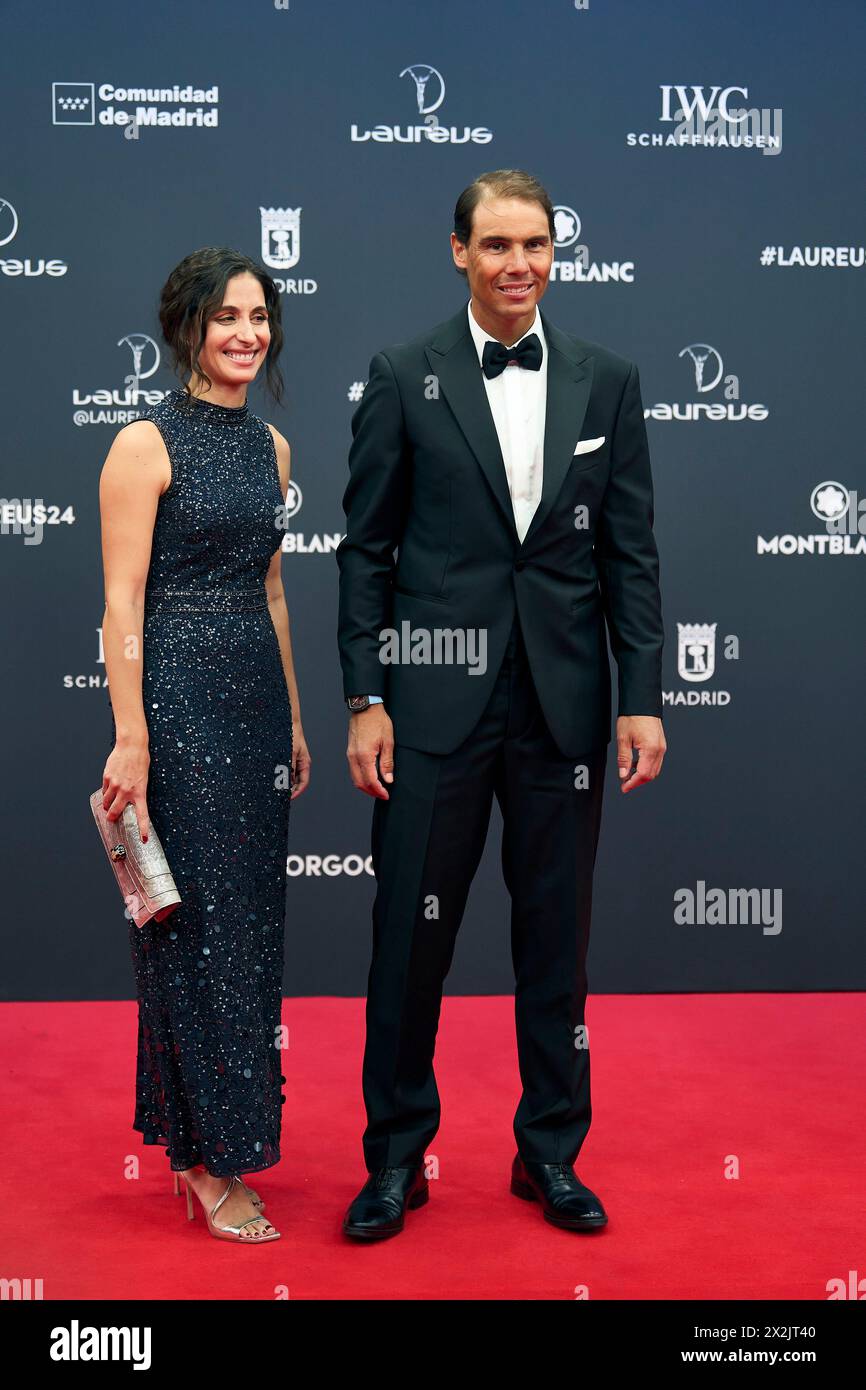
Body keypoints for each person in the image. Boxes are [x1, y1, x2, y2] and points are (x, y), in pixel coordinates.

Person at [337, 169, 666, 1239]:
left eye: (533, 245)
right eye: (494, 246)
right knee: (405, 943)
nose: (517, 264)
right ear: (457, 252)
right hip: (432, 705)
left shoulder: (605, 379)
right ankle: (394, 1160)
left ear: (552, 252)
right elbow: (366, 553)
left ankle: (549, 1153)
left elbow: (629, 554)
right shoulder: (401, 376)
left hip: (564, 705)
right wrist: (363, 697)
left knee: (553, 945)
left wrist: (641, 698)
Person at [98, 247, 310, 1244]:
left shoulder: (269, 447)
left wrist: (297, 718)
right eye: (225, 316)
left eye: (258, 316)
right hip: (177, 707)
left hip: (255, 710)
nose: (245, 333)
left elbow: (270, 591)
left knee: (247, 932)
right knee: (189, 930)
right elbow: (121, 602)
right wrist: (132, 734)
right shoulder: (142, 444)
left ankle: (220, 1136)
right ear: (187, 325)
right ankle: (195, 1159)